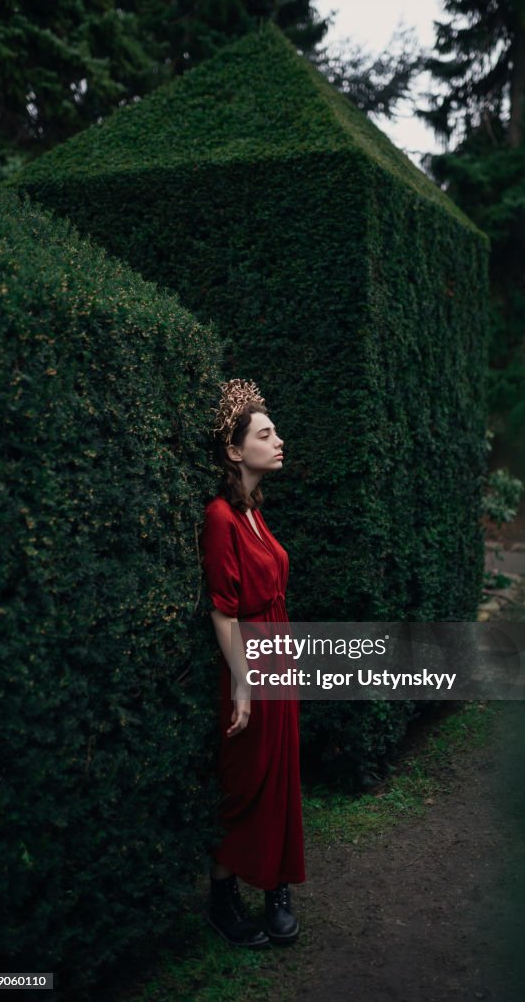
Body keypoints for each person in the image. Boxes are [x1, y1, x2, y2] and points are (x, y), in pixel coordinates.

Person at [200, 379, 305, 948]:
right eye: (266, 434)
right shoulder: (220, 516)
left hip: (278, 653)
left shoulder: (254, 510)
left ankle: (277, 889)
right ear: (236, 451)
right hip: (252, 661)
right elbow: (223, 610)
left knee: (282, 777)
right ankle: (222, 900)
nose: (279, 441)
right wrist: (243, 682)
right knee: (244, 781)